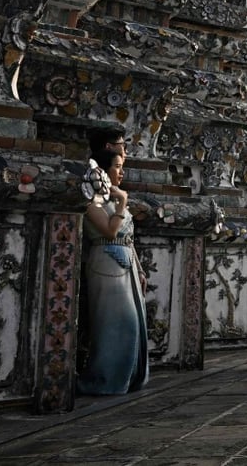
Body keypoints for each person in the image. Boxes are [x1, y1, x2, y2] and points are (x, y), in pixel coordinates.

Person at [77, 148, 148, 395]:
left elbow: (128, 238)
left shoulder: (114, 199)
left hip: (126, 265)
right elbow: (110, 232)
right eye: (117, 166)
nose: (121, 172)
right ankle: (104, 380)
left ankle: (127, 379)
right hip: (105, 263)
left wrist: (139, 269)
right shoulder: (92, 202)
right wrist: (122, 203)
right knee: (114, 325)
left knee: (133, 324)